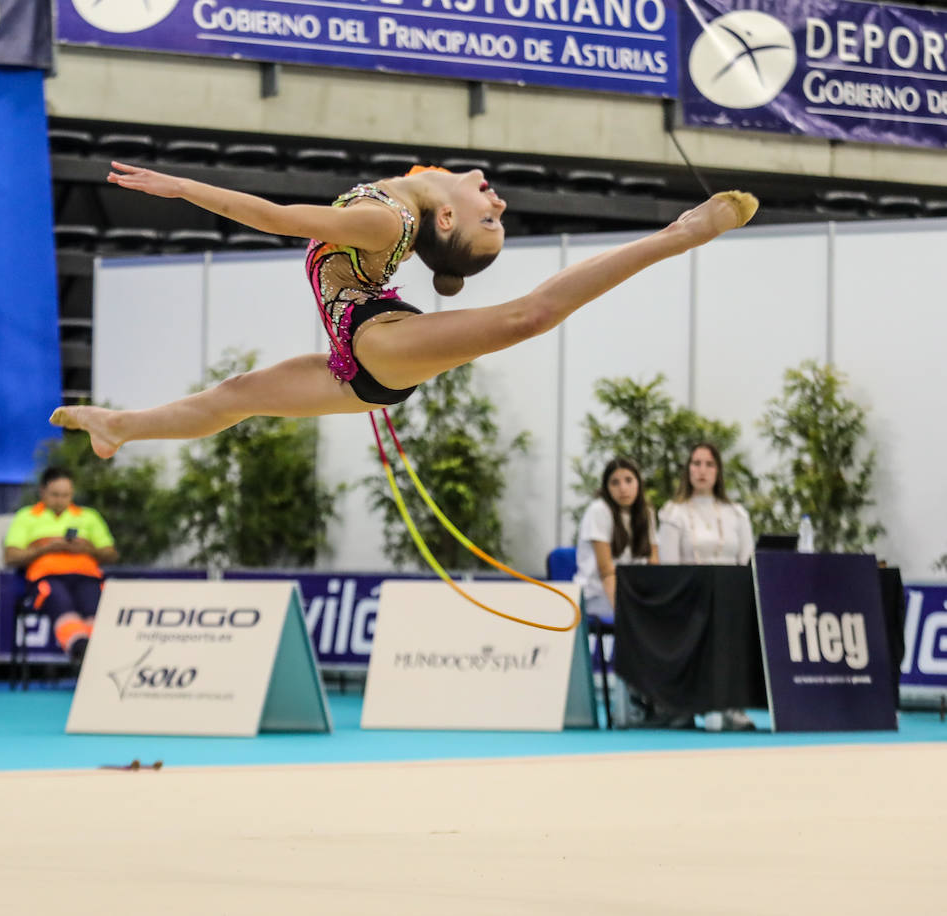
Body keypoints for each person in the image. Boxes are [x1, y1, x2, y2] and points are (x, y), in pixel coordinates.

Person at [50, 162, 758, 457]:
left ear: (445, 217)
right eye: (496, 213)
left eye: (488, 217)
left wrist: (183, 188)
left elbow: (271, 215)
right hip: (355, 359)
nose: (499, 201)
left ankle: (679, 234)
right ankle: (119, 426)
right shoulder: (415, 192)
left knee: (526, 317)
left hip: (376, 338)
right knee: (235, 397)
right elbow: (429, 181)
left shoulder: (387, 222)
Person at [658, 442, 756, 731]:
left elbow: (747, 561)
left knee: (740, 617)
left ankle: (733, 705)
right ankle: (690, 704)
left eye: (709, 464)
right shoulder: (673, 513)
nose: (702, 470)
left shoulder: (737, 513)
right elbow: (669, 568)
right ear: (688, 470)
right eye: (696, 463)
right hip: (690, 599)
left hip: (732, 599)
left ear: (718, 471)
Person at [574, 457, 660, 727]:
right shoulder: (598, 511)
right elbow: (606, 571)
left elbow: (654, 565)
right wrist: (626, 612)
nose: (623, 488)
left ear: (638, 484)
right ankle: (630, 707)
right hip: (597, 596)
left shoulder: (646, 512)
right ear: (606, 487)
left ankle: (665, 704)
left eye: (628, 481)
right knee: (637, 623)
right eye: (615, 482)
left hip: (633, 595)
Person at [3, 467, 118, 663]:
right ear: (42, 491)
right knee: (60, 600)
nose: (60, 500)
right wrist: (46, 549)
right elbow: (10, 557)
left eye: (66, 495)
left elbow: (111, 554)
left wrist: (86, 549)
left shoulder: (88, 516)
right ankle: (79, 648)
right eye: (55, 495)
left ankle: (97, 659)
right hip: (46, 578)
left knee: (94, 607)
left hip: (87, 577)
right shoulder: (27, 516)